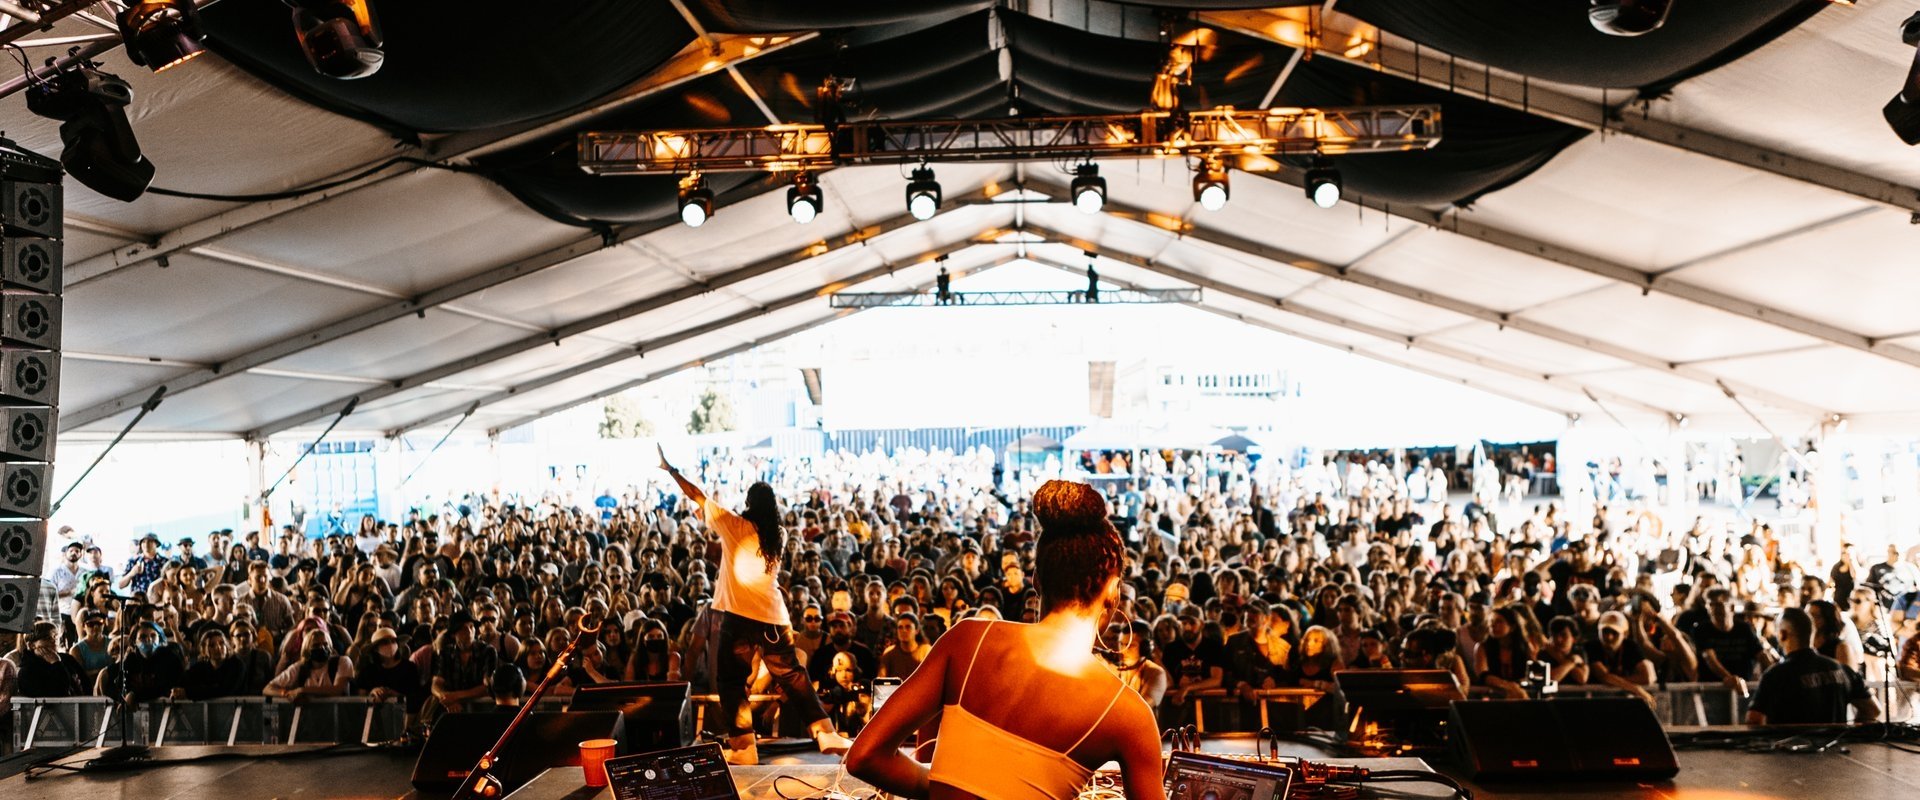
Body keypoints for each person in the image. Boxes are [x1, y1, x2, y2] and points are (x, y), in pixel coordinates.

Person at [846, 480, 1165, 800]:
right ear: (1113, 594)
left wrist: (945, 785)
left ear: (1036, 581)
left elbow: (864, 756)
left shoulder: (967, 639)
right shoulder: (1128, 714)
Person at [660, 445, 850, 763]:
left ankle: (744, 746)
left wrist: (672, 470)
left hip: (739, 618)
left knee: (731, 680)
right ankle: (825, 731)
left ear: (748, 504)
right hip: (774, 617)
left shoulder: (734, 526)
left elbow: (698, 495)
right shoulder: (779, 534)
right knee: (793, 675)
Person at [1747, 607, 1879, 725]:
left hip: (1789, 749)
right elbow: (1873, 710)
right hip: (1834, 750)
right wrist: (1848, 735)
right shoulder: (1841, 669)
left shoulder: (1775, 674)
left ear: (1782, 634)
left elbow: (1754, 719)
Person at [264, 629, 354, 701]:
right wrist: (286, 693)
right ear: (307, 650)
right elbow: (268, 688)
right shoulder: (300, 667)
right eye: (316, 645)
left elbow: (337, 690)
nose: (322, 648)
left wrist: (303, 690)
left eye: (325, 645)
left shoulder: (342, 662)